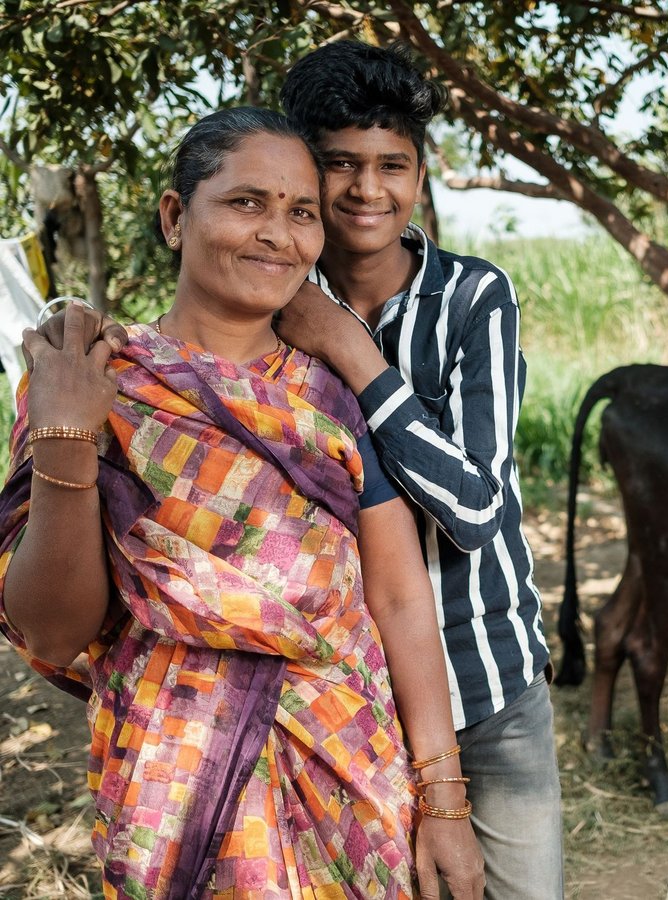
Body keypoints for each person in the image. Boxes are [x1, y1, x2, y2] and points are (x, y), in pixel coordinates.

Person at [1, 107, 484, 899]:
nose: (277, 234)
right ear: (173, 215)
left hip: (350, 770)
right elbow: (53, 630)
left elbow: (397, 596)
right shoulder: (91, 380)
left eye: (300, 213)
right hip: (174, 782)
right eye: (246, 202)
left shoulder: (331, 393)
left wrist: (446, 802)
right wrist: (64, 439)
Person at [274, 41, 564, 899]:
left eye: (391, 165)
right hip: (345, 694)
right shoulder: (272, 301)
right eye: (341, 165)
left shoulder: (474, 298)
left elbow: (476, 511)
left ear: (421, 171)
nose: (369, 190)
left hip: (486, 677)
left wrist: (353, 356)